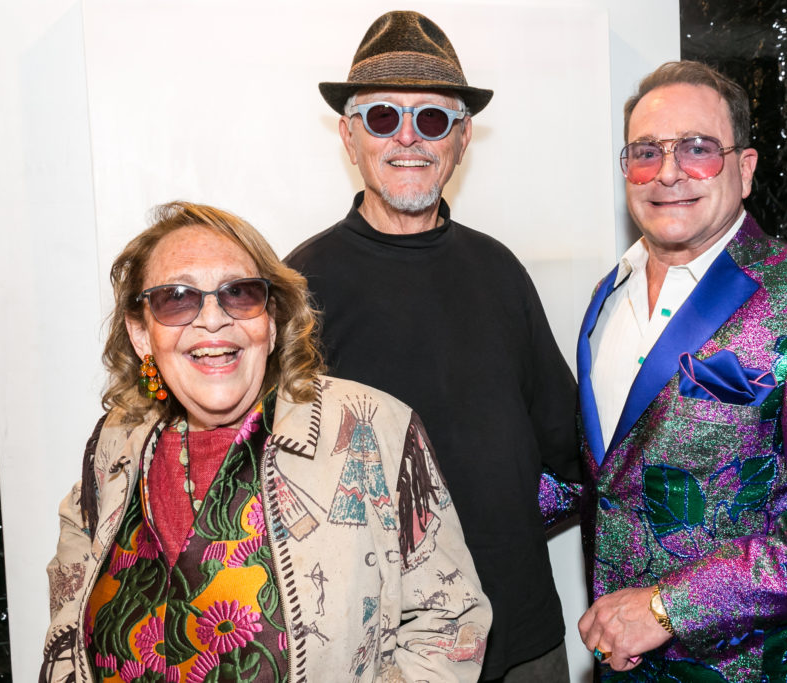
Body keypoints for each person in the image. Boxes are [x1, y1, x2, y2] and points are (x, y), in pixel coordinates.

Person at [541, 61, 787, 681]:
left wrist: (668, 607)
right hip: (625, 669)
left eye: (697, 149)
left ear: (744, 169)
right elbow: (611, 474)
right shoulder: (608, 298)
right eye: (645, 152)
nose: (667, 172)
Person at [39, 202, 491, 682]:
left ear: (271, 321)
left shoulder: (368, 427)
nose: (213, 319)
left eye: (240, 294)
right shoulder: (115, 446)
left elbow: (449, 625)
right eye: (176, 298)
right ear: (141, 333)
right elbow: (66, 629)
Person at [286, 11, 580, 681]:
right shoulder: (298, 289)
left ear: (464, 136)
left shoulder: (500, 271)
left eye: (434, 119)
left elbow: (568, 448)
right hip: (388, 654)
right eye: (385, 118)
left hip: (524, 637)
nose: (409, 140)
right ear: (349, 134)